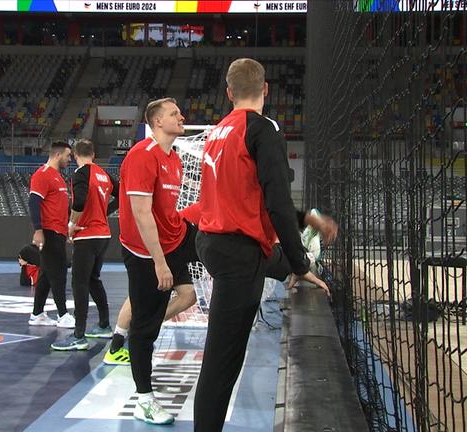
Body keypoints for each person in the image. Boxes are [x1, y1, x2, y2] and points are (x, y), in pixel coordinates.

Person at [192, 58, 330, 432]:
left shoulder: (218, 131)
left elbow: (247, 195)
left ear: (229, 92)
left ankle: (290, 266)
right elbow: (276, 202)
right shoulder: (263, 128)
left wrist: (303, 223)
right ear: (266, 89)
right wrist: (301, 264)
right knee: (222, 363)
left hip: (213, 241)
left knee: (269, 258)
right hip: (236, 250)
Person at [103, 207, 338, 365]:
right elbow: (269, 240)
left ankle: (141, 331)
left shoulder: (246, 211)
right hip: (174, 243)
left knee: (188, 295)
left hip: (189, 243)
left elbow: (273, 234)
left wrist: (297, 265)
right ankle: (116, 346)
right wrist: (299, 264)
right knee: (142, 292)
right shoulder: (232, 209)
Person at [117, 97, 196, 425]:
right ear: (157, 122)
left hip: (174, 238)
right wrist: (160, 263)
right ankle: (144, 400)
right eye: (174, 114)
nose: (182, 117)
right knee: (144, 331)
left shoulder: (174, 158)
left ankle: (292, 259)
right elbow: (140, 213)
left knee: (189, 295)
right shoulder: (142, 155)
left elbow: (165, 212)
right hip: (145, 253)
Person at [51, 139, 119, 351]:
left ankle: (79, 336)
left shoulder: (81, 173)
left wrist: (72, 224)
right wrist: (102, 214)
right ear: (94, 153)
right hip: (103, 235)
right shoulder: (105, 174)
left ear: (76, 156)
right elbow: (121, 196)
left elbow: (79, 201)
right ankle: (104, 325)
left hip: (87, 235)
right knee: (93, 280)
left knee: (79, 283)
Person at [27, 141, 75, 329]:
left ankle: (37, 313)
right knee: (59, 273)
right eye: (67, 155)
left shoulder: (57, 176)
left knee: (47, 274)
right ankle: (63, 315)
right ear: (57, 155)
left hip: (59, 231)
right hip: (49, 231)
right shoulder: (43, 175)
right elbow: (33, 203)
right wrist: (38, 230)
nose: (69, 159)